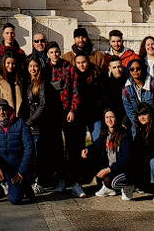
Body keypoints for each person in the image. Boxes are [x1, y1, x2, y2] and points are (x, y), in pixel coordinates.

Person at [46, 41, 84, 197]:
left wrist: (73, 110)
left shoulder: (69, 67)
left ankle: (75, 182)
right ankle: (61, 179)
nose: (55, 54)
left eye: (56, 51)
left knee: (72, 148)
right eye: (51, 52)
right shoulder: (45, 70)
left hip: (68, 112)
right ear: (48, 55)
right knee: (57, 149)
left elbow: (76, 90)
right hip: (53, 114)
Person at [0, 98, 33, 205]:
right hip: (2, 166)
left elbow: (29, 149)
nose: (1, 112)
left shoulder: (21, 123)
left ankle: (25, 185)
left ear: (9, 110)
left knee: (15, 200)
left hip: (16, 169)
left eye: (4, 109)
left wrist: (21, 171)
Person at [81, 108, 133, 198]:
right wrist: (87, 149)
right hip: (112, 169)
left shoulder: (124, 135)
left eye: (112, 117)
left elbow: (126, 160)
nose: (109, 120)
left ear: (116, 118)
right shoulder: (105, 134)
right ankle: (108, 187)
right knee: (103, 177)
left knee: (113, 183)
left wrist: (109, 170)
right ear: (104, 120)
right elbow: (96, 145)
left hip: (123, 170)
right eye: (107, 117)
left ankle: (130, 186)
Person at [23, 56, 54, 194]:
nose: (33, 69)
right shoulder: (28, 82)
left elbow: (43, 105)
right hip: (30, 125)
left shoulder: (42, 83)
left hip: (39, 125)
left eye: (35, 66)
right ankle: (33, 180)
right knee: (31, 155)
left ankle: (41, 182)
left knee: (40, 155)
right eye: (30, 66)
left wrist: (30, 121)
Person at [121, 58, 154, 133]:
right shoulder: (126, 90)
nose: (135, 71)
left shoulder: (153, 84)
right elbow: (130, 112)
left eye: (138, 69)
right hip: (137, 126)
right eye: (132, 69)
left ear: (142, 69)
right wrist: (138, 125)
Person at [0, 53, 25, 122]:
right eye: (8, 63)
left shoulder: (19, 78)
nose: (10, 66)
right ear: (4, 63)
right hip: (3, 116)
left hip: (18, 116)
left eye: (13, 63)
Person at [73, 54, 101, 141]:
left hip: (95, 113)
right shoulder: (72, 76)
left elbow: (101, 95)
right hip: (79, 114)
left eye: (84, 62)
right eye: (78, 63)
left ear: (88, 62)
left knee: (97, 140)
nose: (81, 65)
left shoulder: (96, 75)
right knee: (79, 143)